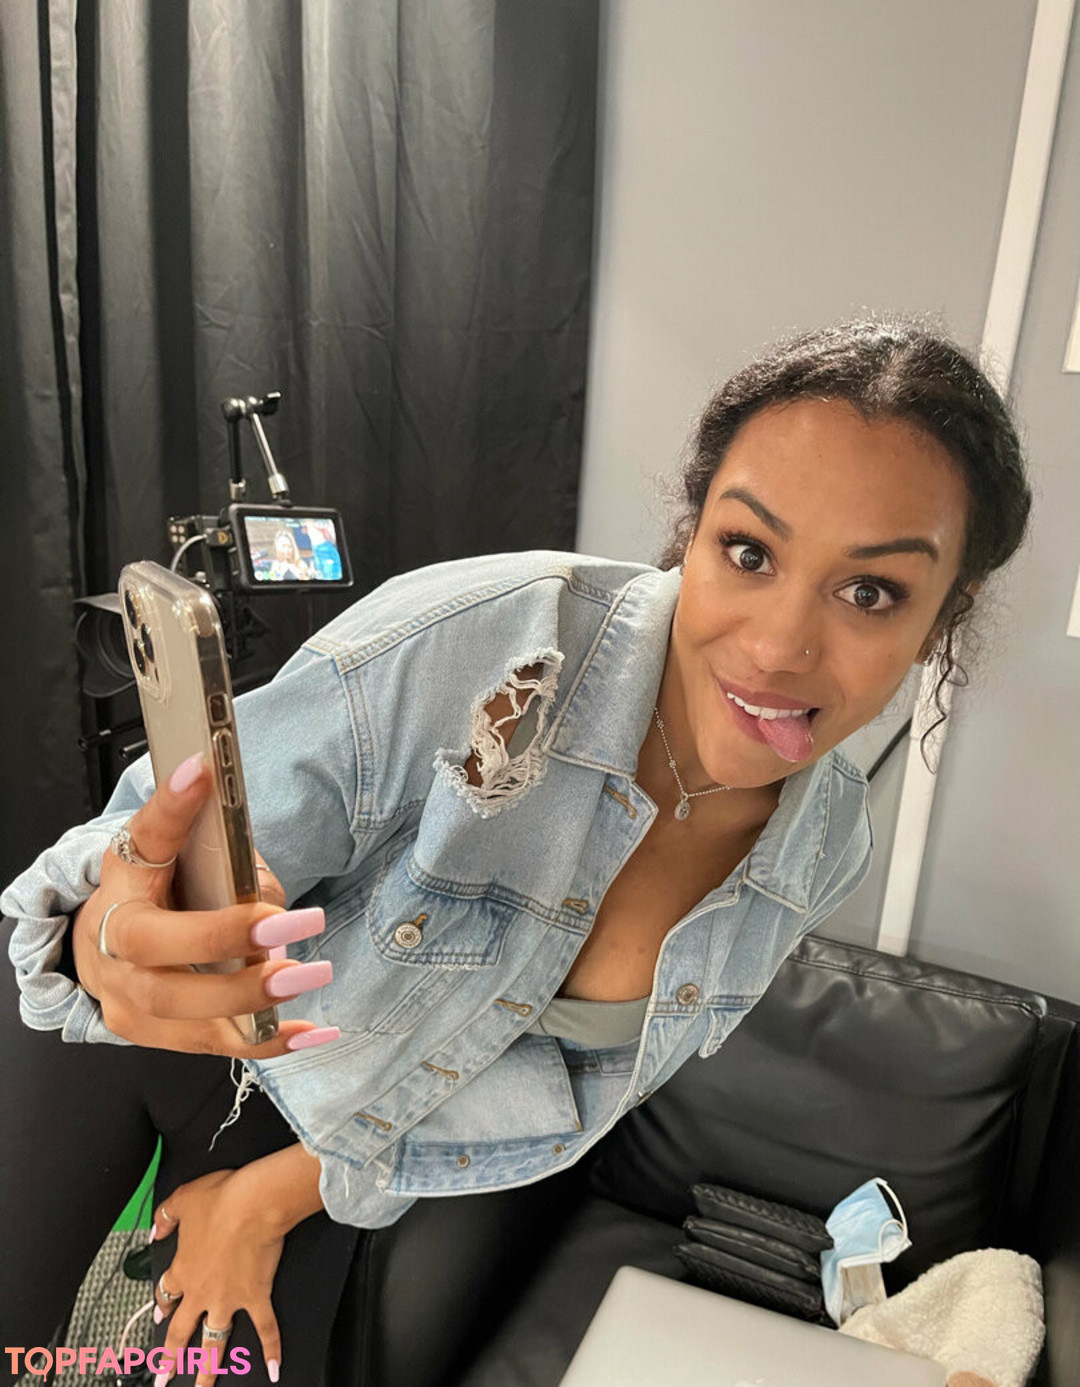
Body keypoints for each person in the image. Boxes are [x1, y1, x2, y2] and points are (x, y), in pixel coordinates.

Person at [1, 318, 1032, 1387]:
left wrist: (266, 1201)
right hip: (143, 1045)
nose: (777, 647)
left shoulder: (817, 851)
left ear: (940, 618)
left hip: (330, 1152)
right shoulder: (485, 637)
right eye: (748, 551)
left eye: (871, 592)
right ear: (692, 531)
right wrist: (107, 932)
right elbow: (130, 856)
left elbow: (545, 1081)